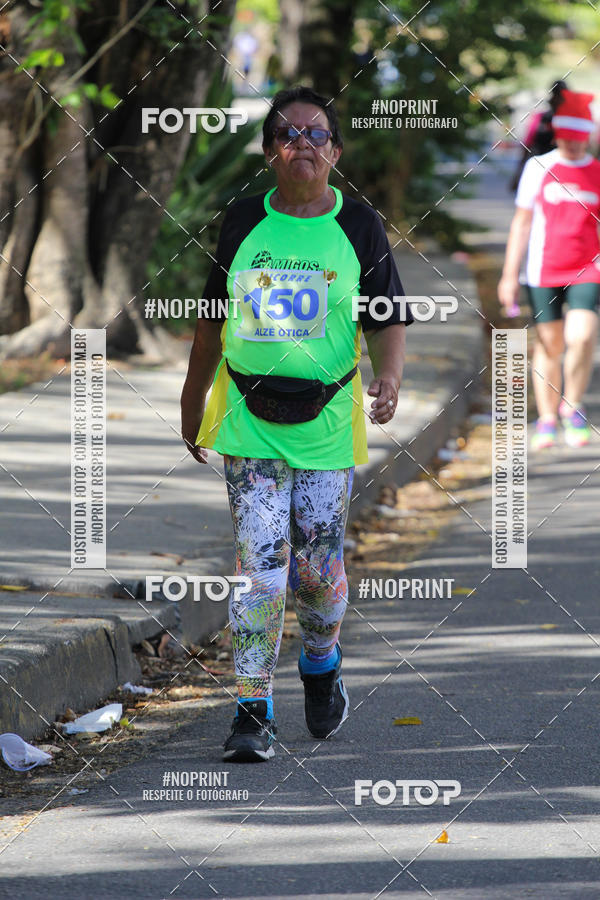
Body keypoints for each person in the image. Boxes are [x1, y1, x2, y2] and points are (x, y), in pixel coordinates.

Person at [180, 86, 413, 762]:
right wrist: (193, 405)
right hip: (247, 418)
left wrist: (389, 377)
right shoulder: (242, 220)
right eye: (288, 134)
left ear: (335, 153)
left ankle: (321, 662)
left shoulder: (359, 225)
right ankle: (252, 714)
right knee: (261, 570)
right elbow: (209, 324)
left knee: (315, 570)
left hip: (326, 423)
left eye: (316, 135)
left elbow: (387, 315)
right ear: (268, 152)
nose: (302, 143)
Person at [498, 89, 600, 450]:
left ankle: (572, 406)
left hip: (587, 266)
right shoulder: (538, 168)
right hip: (542, 270)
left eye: (579, 138)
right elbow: (521, 224)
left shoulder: (596, 172)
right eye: (567, 138)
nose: (573, 145)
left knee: (583, 336)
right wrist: (509, 276)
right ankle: (545, 417)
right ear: (558, 133)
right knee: (550, 344)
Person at [509, 80, 568, 192]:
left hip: (561, 170)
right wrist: (518, 175)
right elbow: (528, 145)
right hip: (540, 167)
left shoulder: (570, 121)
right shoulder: (540, 118)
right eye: (556, 95)